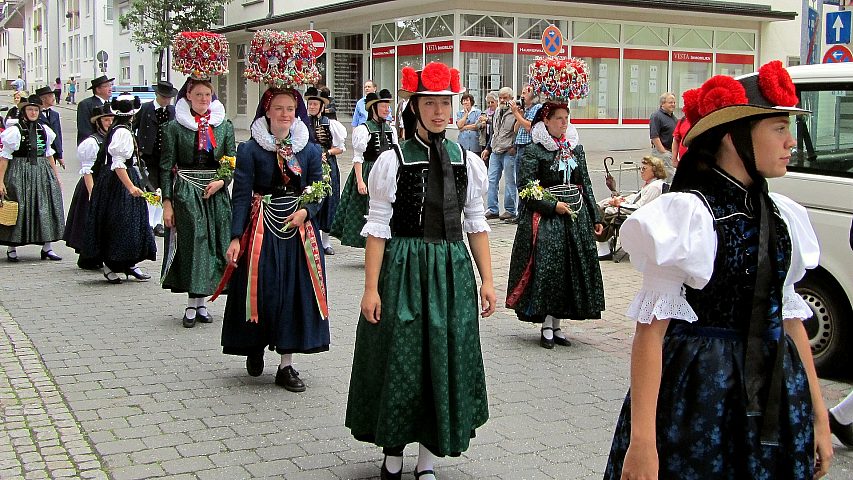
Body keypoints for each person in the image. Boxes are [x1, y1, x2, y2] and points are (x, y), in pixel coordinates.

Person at [604, 61, 833, 479]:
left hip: (777, 394)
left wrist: (820, 416)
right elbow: (650, 333)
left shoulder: (783, 216)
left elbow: (790, 317)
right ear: (735, 136)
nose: (790, 141)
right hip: (700, 396)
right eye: (778, 128)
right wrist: (641, 441)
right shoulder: (689, 215)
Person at [346, 61, 495, 480]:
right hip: (405, 269)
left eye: (444, 104)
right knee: (402, 359)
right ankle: (393, 456)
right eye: (430, 103)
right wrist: (370, 288)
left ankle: (427, 460)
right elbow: (377, 229)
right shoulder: (392, 160)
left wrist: (488, 281)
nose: (438, 112)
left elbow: (476, 223)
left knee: (444, 360)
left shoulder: (466, 159)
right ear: (415, 106)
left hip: (451, 270)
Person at [220, 86, 329, 392]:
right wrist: (235, 237)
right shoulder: (251, 150)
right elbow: (241, 196)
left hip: (297, 233)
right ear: (267, 111)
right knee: (262, 290)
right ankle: (254, 345)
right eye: (279, 108)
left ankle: (286, 364)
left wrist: (306, 212)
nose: (285, 114)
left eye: (291, 109)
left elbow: (320, 188)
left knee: (293, 294)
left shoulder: (307, 150)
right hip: (260, 231)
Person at [505, 92, 604, 348]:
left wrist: (595, 215)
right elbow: (525, 185)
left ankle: (557, 324)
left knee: (569, 272)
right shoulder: (535, 150)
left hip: (575, 218)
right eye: (558, 118)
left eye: (566, 118)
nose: (563, 123)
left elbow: (585, 184)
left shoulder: (574, 149)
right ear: (546, 121)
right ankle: (546, 324)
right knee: (549, 271)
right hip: (547, 220)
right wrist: (551, 205)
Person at [160, 77, 235, 328]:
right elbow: (165, 166)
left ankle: (202, 303)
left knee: (214, 246)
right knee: (194, 244)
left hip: (215, 192)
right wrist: (167, 202)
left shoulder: (223, 126)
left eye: (207, 95)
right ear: (189, 97)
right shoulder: (174, 127)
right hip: (187, 190)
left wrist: (222, 181)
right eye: (199, 95)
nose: (204, 99)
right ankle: (192, 305)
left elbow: (230, 160)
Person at [83, 94, 156, 284]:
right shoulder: (122, 132)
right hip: (118, 182)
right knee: (120, 222)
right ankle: (111, 265)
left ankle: (130, 263)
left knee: (130, 222)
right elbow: (118, 163)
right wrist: (130, 186)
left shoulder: (120, 129)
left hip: (116, 179)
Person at [0, 94, 65, 262]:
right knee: (18, 207)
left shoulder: (45, 130)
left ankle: (47, 248)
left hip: (42, 172)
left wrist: (56, 176)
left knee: (45, 206)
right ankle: (12, 247)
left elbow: (49, 154)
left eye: (36, 110)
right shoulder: (14, 131)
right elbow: (5, 157)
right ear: (24, 111)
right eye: (30, 109)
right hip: (19, 172)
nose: (33, 113)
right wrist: (0, 181)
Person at [330, 88, 397, 249]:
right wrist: (360, 181)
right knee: (365, 212)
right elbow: (358, 158)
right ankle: (371, 248)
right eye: (383, 106)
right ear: (374, 108)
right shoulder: (363, 129)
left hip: (386, 173)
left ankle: (386, 246)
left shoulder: (391, 130)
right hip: (368, 172)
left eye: (388, 106)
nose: (387, 109)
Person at [64, 104, 115, 270]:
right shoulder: (91, 142)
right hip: (92, 185)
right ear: (98, 123)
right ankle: (88, 257)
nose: (109, 123)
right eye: (106, 120)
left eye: (111, 119)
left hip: (108, 187)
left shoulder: (115, 139)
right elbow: (87, 172)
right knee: (89, 222)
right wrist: (93, 195)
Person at [594, 155, 667, 259]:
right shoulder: (650, 184)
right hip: (633, 210)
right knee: (601, 205)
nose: (641, 171)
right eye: (641, 168)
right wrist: (617, 195)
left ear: (655, 170)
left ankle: (604, 247)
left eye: (644, 168)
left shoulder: (654, 187)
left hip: (639, 215)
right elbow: (634, 198)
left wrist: (619, 204)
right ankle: (604, 244)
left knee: (601, 211)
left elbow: (639, 208)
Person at [305, 86, 347, 255]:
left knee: (328, 201)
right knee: (310, 198)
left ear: (322, 107)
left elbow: (340, 148)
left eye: (315, 104)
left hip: (327, 166)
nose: (312, 107)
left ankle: (326, 242)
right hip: (309, 165)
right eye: (310, 104)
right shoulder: (301, 123)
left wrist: (327, 152)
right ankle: (310, 238)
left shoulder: (331, 124)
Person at [134, 80, 177, 237]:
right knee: (151, 187)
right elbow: (133, 128)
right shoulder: (146, 109)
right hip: (149, 154)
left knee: (164, 188)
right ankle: (149, 222)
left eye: (169, 98)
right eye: (164, 97)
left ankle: (158, 222)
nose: (166, 100)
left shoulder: (173, 111)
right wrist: (137, 148)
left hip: (167, 156)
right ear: (157, 95)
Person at [482, 87, 518, 220]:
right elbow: (494, 132)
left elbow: (517, 131)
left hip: (508, 151)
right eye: (500, 98)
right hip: (495, 150)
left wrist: (514, 146)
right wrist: (487, 148)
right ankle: (492, 209)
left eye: (505, 98)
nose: (502, 100)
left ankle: (510, 210)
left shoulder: (515, 112)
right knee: (491, 180)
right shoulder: (497, 111)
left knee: (510, 182)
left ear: (511, 98)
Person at [77, 75, 114, 143]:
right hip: (93, 144)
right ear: (98, 89)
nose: (110, 88)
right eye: (106, 86)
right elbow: (85, 129)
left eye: (110, 85)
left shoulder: (111, 105)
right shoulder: (86, 104)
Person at [649, 91, 677, 182]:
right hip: (661, 153)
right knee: (666, 179)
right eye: (670, 103)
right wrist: (663, 152)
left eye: (674, 102)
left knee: (669, 178)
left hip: (670, 153)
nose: (673, 105)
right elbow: (654, 136)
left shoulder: (673, 118)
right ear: (662, 104)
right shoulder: (656, 116)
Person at [35, 86, 64, 169]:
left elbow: (58, 135)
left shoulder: (55, 114)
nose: (54, 99)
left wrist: (59, 155)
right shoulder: (34, 114)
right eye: (51, 96)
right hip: (40, 154)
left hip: (52, 153)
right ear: (43, 99)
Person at [671, 88, 699, 169]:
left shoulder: (704, 121)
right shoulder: (683, 120)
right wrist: (674, 159)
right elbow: (676, 140)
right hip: (684, 163)